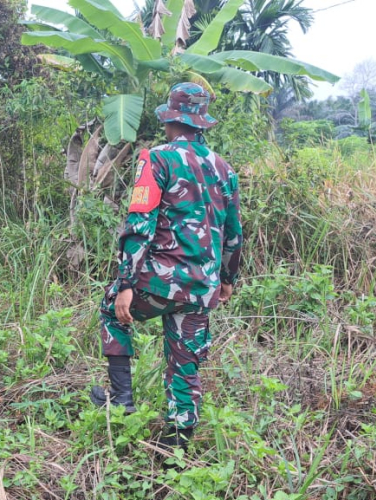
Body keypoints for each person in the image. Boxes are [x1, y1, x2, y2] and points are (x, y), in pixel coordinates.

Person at [89, 82, 243, 452]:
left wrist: (126, 283)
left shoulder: (157, 158)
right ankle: (176, 449)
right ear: (201, 122)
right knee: (184, 364)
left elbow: (139, 223)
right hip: (202, 286)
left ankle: (121, 400)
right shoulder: (223, 168)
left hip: (159, 282)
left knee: (111, 310)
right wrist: (227, 279)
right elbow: (233, 232)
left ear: (171, 121)